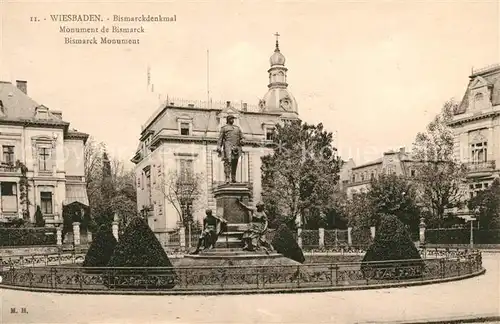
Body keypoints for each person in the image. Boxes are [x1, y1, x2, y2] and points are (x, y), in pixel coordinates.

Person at [217, 115, 244, 183]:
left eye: (233, 119)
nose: (233, 120)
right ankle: (227, 178)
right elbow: (220, 138)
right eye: (231, 118)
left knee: (235, 162)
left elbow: (242, 137)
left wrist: (242, 140)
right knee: (228, 162)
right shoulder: (224, 128)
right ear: (228, 119)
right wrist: (219, 147)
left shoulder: (237, 128)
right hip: (228, 146)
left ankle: (233, 178)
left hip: (236, 147)